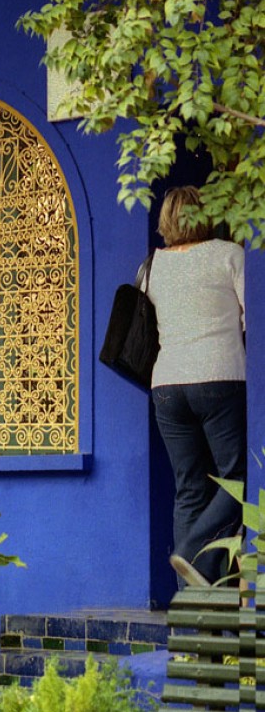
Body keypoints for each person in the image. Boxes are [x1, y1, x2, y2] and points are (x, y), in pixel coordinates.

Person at [145, 186, 246, 588]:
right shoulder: (228, 254)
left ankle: (194, 595)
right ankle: (189, 553)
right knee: (237, 479)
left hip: (167, 384)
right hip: (219, 377)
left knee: (189, 488)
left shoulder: (154, 266)